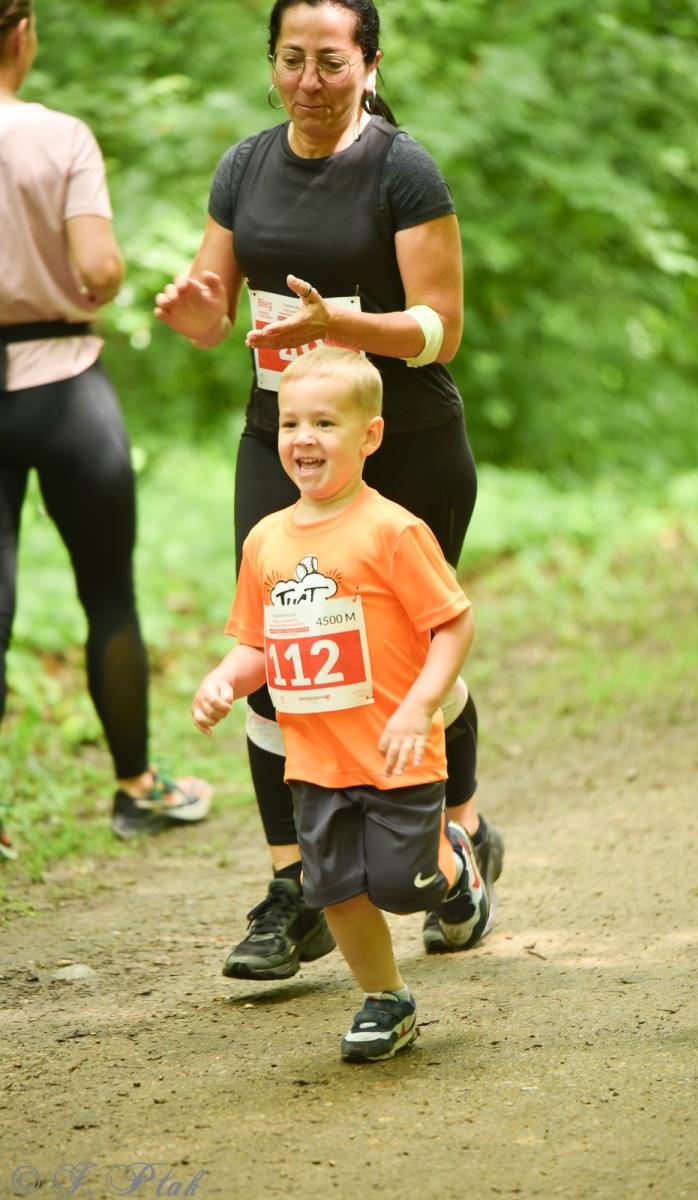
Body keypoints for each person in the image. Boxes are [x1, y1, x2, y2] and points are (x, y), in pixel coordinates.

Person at [155, 0, 502, 977]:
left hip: (404, 442)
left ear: (369, 63)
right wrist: (193, 311)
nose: (309, 81)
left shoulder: (402, 169)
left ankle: (459, 838)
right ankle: (294, 888)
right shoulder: (244, 166)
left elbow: (441, 328)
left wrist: (341, 328)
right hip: (285, 440)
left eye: (331, 62)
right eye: (291, 59)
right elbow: (215, 312)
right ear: (272, 62)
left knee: (403, 656)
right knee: (280, 653)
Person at [192, 347, 489, 1060]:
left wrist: (419, 705)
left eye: (325, 423)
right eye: (291, 422)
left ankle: (454, 857)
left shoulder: (392, 530)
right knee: (335, 891)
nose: (304, 438)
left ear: (369, 436)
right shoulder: (265, 540)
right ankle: (386, 1000)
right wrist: (224, 679)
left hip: (396, 749)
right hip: (315, 761)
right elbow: (258, 643)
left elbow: (454, 624)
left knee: (404, 887)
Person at [0, 0, 211, 858]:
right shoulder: (61, 137)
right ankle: (134, 788)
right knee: (109, 594)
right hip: (65, 385)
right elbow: (97, 270)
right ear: (23, 34)